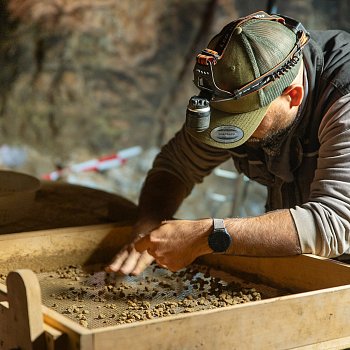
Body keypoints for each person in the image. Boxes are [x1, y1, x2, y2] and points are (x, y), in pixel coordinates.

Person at [106, 11, 350, 275]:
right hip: (303, 262)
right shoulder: (231, 84)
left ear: (292, 96)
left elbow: (334, 223)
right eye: (224, 115)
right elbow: (177, 165)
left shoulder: (342, 100)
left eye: (246, 119)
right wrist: (148, 225)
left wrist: (207, 235)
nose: (230, 130)